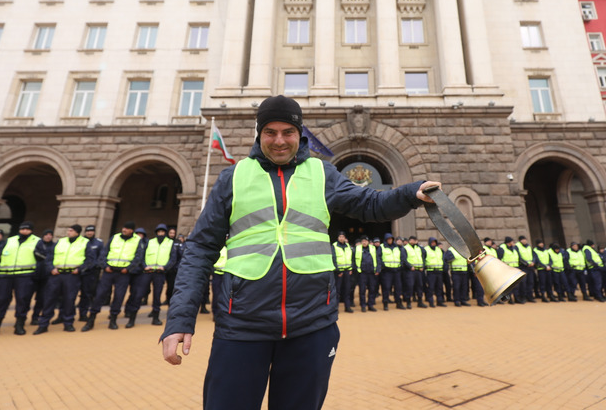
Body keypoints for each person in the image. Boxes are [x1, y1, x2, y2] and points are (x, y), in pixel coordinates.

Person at [160, 95, 439, 410]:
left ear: (299, 133)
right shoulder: (233, 177)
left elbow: (370, 203)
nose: (279, 141)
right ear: (259, 134)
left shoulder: (323, 173)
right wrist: (180, 320)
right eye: (270, 132)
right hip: (241, 325)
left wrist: (409, 193)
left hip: (312, 325)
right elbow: (199, 249)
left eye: (287, 132)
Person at [0, 221, 41, 337]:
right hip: (5, 275)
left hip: (25, 275)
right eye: (22, 229)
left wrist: (37, 274)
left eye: (27, 229)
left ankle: (19, 325)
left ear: (31, 230)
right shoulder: (10, 240)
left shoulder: (37, 241)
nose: (24, 231)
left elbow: (42, 258)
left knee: (22, 300)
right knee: (1, 300)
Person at [82, 221, 144, 331]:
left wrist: (128, 269)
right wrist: (104, 266)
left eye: (127, 228)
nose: (124, 230)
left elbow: (138, 257)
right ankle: (91, 319)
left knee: (119, 296)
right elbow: (104, 252)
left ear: (132, 230)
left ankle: (113, 319)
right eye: (123, 227)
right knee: (100, 295)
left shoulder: (137, 240)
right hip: (109, 271)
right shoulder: (114, 237)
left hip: (123, 273)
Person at [34, 225, 93, 334]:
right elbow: (49, 258)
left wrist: (80, 269)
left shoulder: (84, 242)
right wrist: (51, 269)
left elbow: (90, 260)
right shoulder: (60, 242)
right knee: (49, 299)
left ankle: (68, 323)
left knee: (69, 300)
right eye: (68, 230)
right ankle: (43, 324)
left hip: (72, 275)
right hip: (56, 274)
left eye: (71, 231)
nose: (68, 232)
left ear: (77, 232)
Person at [132, 224, 177, 327]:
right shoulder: (150, 242)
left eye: (162, 232)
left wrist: (165, 268)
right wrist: (144, 266)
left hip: (160, 273)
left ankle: (155, 317)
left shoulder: (170, 243)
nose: (160, 234)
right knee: (140, 293)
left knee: (157, 295)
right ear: (156, 232)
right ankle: (132, 317)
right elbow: (142, 255)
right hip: (148, 271)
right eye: (159, 232)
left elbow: (173, 258)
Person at [77, 225, 104, 321]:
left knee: (86, 293)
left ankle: (83, 314)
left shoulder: (99, 243)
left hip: (91, 272)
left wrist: (95, 265)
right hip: (78, 270)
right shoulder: (80, 241)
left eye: (91, 231)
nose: (89, 233)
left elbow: (101, 256)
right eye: (88, 231)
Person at [379, 232, 405, 310]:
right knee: (386, 288)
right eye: (388, 239)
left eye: (391, 239)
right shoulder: (382, 247)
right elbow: (378, 258)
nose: (390, 240)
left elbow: (401, 257)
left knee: (398, 288)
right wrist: (383, 266)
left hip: (396, 271)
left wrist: (400, 265)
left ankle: (398, 303)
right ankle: (385, 303)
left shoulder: (397, 247)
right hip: (387, 271)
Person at [353, 235, 379, 312]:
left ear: (368, 241)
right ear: (361, 242)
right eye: (363, 241)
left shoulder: (373, 248)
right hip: (362, 273)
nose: (364, 242)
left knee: (372, 289)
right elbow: (353, 260)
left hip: (371, 272)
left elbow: (377, 259)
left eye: (365, 241)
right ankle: (363, 305)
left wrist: (377, 269)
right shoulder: (357, 249)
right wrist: (356, 270)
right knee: (362, 290)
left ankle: (370, 305)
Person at [331, 231, 354, 314]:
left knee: (347, 290)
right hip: (339, 273)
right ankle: (335, 309)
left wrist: (351, 269)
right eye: (340, 237)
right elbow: (333, 259)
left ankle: (347, 307)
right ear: (338, 238)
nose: (341, 238)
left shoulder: (348, 246)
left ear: (345, 238)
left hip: (347, 271)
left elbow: (351, 258)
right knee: (337, 291)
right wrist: (337, 270)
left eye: (343, 237)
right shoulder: (334, 246)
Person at [402, 235, 427, 308]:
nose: (413, 241)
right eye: (412, 240)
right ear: (409, 240)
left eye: (414, 240)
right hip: (410, 271)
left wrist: (423, 266)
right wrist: (410, 267)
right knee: (410, 286)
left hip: (419, 270)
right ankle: (408, 302)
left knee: (420, 286)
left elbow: (422, 258)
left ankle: (420, 302)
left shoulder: (418, 248)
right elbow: (404, 259)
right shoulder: (405, 248)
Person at [423, 237, 447, 307]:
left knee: (439, 287)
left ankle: (439, 301)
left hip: (439, 271)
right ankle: (431, 302)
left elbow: (442, 259)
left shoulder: (438, 249)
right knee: (431, 287)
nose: (433, 243)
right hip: (431, 271)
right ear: (429, 242)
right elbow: (423, 259)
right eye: (432, 242)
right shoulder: (426, 249)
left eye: (435, 242)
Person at [515, 236, 537, 303]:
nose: (525, 241)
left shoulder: (529, 246)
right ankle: (523, 297)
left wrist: (533, 262)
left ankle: (530, 296)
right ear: (520, 240)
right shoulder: (517, 246)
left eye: (525, 239)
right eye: (523, 240)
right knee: (523, 283)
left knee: (530, 282)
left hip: (530, 267)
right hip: (523, 267)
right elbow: (518, 257)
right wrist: (526, 263)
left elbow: (534, 255)